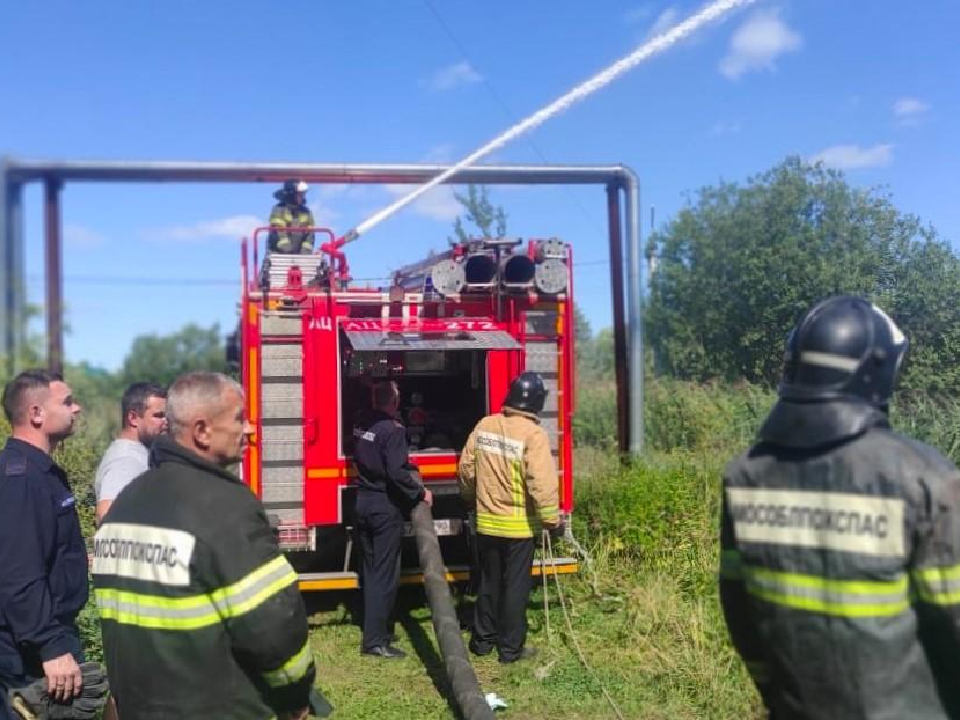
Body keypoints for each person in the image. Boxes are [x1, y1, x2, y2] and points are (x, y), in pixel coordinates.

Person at [720, 295, 960, 719]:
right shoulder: (927, 480)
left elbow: (740, 612)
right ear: (879, 371)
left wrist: (775, 694)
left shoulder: (745, 476)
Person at [92, 372, 315, 720]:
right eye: (239, 418)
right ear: (201, 431)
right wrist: (296, 697)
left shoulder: (125, 502)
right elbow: (273, 631)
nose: (250, 429)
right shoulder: (227, 507)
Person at [0, 370, 86, 719]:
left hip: (44, 638)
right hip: (32, 653)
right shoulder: (22, 480)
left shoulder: (39, 472)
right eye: (66, 402)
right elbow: (18, 573)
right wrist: (51, 647)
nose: (76, 408)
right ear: (35, 413)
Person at [458, 371, 560, 664]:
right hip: (519, 528)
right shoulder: (533, 434)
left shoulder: (485, 424)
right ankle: (510, 649)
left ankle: (482, 641)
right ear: (537, 402)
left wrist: (469, 498)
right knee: (515, 588)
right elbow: (540, 481)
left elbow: (466, 468)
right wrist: (550, 519)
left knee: (488, 583)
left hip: (487, 522)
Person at [352, 381, 433, 659]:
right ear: (395, 403)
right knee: (385, 575)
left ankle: (378, 628)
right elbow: (397, 473)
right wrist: (420, 492)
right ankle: (376, 641)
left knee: (371, 571)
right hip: (384, 508)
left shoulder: (363, 425)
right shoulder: (393, 431)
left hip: (363, 503)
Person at [94, 382, 167, 525]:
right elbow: (106, 517)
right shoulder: (126, 461)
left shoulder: (136, 454)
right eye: (158, 416)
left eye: (166, 416)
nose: (166, 422)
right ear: (133, 418)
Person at [268, 179, 315, 255]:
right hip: (278, 255)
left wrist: (305, 251)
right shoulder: (278, 210)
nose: (303, 197)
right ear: (291, 195)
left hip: (300, 255)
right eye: (300, 194)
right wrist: (288, 251)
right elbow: (278, 231)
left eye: (303, 194)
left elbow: (310, 233)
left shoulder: (307, 212)